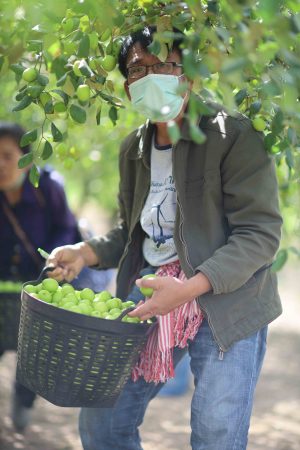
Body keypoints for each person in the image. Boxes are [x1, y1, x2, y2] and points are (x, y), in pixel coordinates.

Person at [47, 26, 282, 450]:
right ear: (127, 85)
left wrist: (190, 289)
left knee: (216, 434)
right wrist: (84, 252)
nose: (154, 76)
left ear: (188, 74)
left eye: (167, 65)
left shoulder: (233, 134)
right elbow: (132, 231)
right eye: (141, 68)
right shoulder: (132, 149)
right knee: (103, 423)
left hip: (227, 302)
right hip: (154, 296)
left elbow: (259, 234)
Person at [0, 122, 114, 431]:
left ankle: (23, 403)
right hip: (4, 284)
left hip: (44, 280)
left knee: (32, 350)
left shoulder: (46, 186)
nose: (1, 164)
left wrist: (53, 264)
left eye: (8, 156)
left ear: (26, 161)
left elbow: (65, 228)